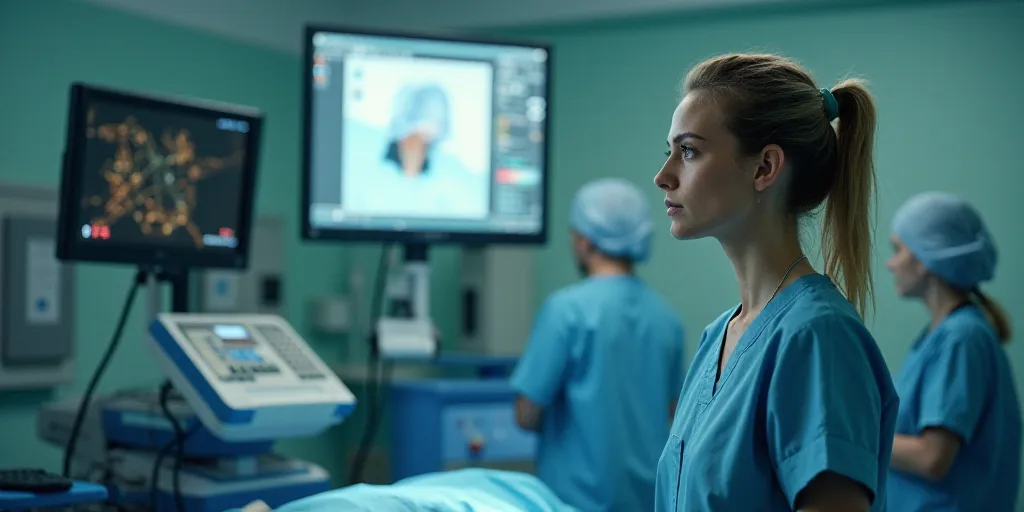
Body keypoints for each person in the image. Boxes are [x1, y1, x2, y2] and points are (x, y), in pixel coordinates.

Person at [652, 53, 899, 511]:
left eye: (688, 151)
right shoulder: (718, 337)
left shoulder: (817, 337)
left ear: (765, 167)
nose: (663, 176)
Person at [510, 178, 687, 512]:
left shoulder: (565, 311)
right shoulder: (666, 319)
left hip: (572, 502)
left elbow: (526, 413)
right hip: (649, 501)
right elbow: (674, 413)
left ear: (584, 240)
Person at [885, 191, 1021, 511]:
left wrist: (852, 441)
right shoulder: (942, 336)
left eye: (897, 250)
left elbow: (932, 458)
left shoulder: (961, 338)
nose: (890, 264)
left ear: (925, 259)